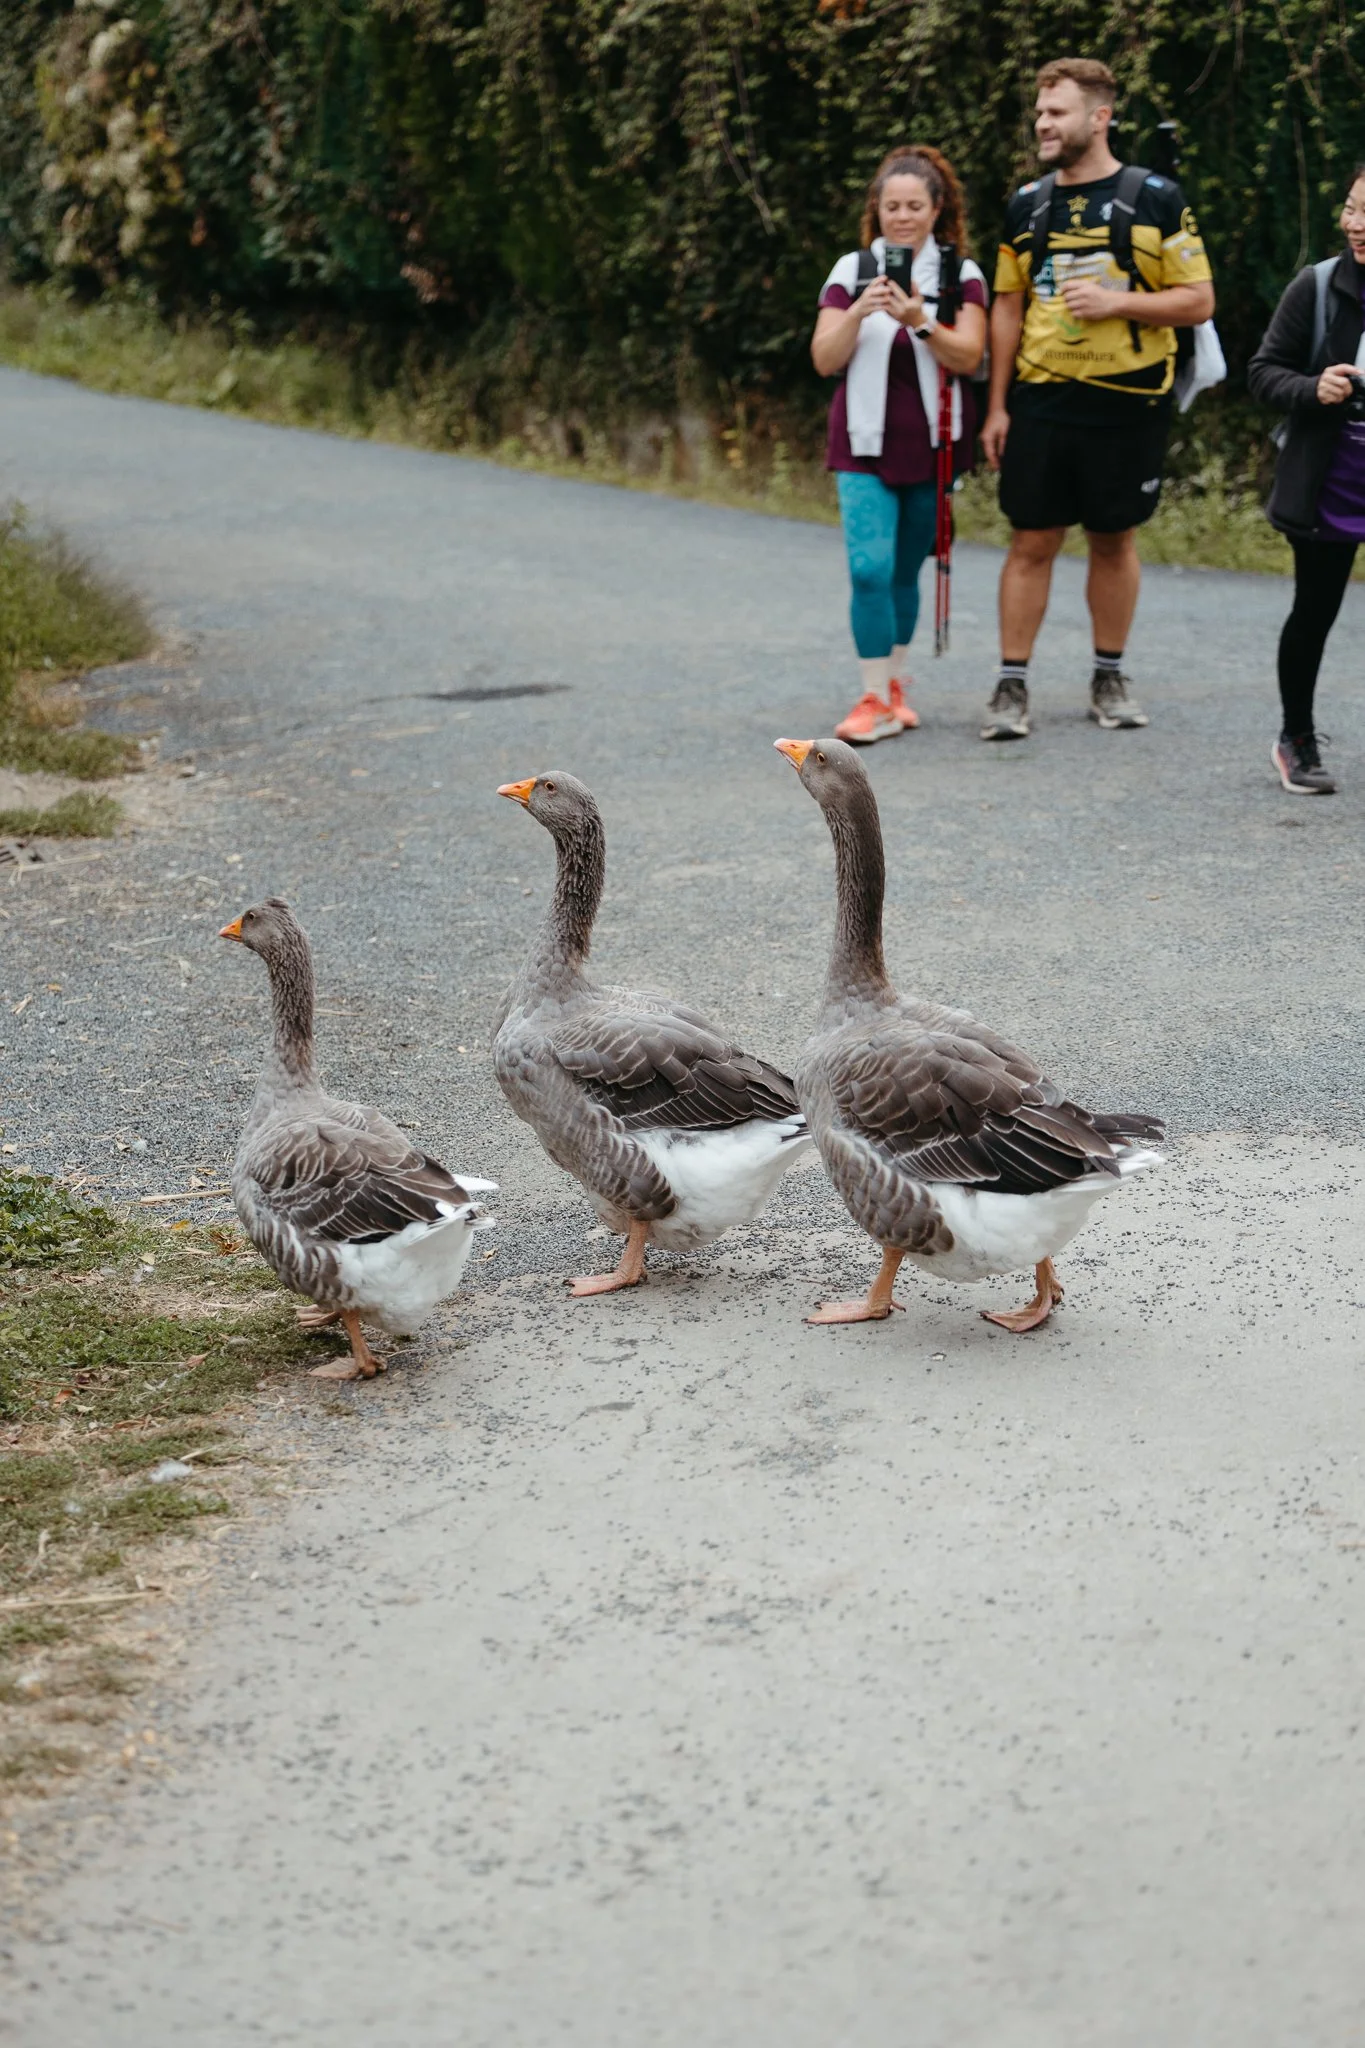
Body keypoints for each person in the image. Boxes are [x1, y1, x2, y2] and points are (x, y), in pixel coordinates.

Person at [980, 58, 1215, 741]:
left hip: (1129, 404)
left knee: (1114, 540)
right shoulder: (1026, 204)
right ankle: (1010, 685)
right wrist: (996, 406)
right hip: (1041, 402)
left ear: (1099, 117)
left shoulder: (1157, 198)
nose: (1041, 124)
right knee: (1030, 539)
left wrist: (1115, 302)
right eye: (1038, 113)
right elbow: (1005, 305)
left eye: (1055, 112)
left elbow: (1198, 298)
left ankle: (1108, 675)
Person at [812, 145, 988, 744]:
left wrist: (919, 318)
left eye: (915, 205)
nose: (903, 217)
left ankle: (895, 685)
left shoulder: (961, 275)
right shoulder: (851, 270)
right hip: (860, 444)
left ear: (938, 209)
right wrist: (861, 309)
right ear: (877, 211)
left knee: (908, 568)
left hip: (936, 446)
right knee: (869, 568)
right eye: (892, 206)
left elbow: (970, 355)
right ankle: (871, 696)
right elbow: (823, 358)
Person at [1247, 167, 1365, 795]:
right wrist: (1311, 388)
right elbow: (1264, 371)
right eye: (1351, 208)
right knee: (1314, 613)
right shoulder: (1317, 286)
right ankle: (1296, 737)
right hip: (1331, 484)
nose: (1356, 224)